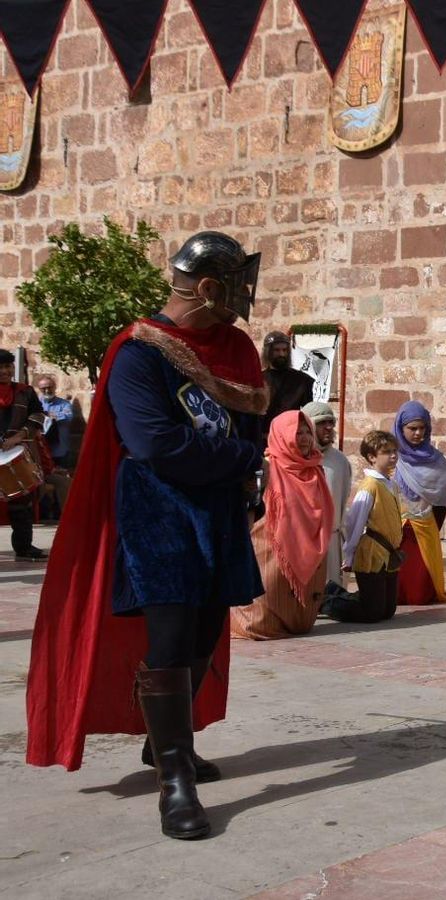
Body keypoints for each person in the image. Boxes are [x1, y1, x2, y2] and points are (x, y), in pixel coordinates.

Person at [26, 230, 267, 841]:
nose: (242, 298)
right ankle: (174, 778)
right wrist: (238, 458)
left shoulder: (234, 347)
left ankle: (164, 744)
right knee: (170, 637)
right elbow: (156, 445)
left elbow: (250, 426)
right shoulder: (140, 352)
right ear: (207, 287)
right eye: (233, 286)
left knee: (207, 633)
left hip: (217, 510)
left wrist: (240, 456)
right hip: (160, 513)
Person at [230, 412, 333, 640]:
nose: (305, 438)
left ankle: (294, 623)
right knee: (265, 604)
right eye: (297, 433)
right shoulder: (266, 466)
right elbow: (250, 504)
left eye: (307, 432)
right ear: (282, 435)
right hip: (270, 545)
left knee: (298, 613)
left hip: (310, 546)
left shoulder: (316, 469)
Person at [325, 430, 404, 624]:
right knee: (373, 613)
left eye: (395, 451)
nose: (393, 456)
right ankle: (327, 600)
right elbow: (355, 522)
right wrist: (349, 554)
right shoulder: (369, 487)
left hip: (389, 554)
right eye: (386, 452)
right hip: (372, 554)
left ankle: (350, 597)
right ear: (372, 457)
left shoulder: (391, 485)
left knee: (387, 611)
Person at [392, 401, 446, 605]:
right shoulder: (393, 457)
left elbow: (444, 482)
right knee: (396, 590)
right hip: (397, 531)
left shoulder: (436, 460)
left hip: (425, 529)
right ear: (401, 429)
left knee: (419, 595)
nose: (418, 433)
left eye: (422, 428)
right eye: (412, 428)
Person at [0, 350, 49, 559]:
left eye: (8, 366)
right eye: (0, 367)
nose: (4, 371)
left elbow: (38, 415)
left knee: (22, 503)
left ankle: (24, 546)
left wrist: (20, 435)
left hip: (16, 451)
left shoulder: (25, 392)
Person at [303, 401, 353, 598]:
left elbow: (343, 498)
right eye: (322, 423)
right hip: (305, 539)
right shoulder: (298, 459)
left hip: (332, 539)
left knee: (331, 596)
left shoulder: (340, 461)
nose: (329, 428)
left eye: (331, 422)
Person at [34, 373, 74, 519]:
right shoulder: (37, 404)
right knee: (42, 484)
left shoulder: (64, 404)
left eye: (49, 387)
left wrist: (53, 417)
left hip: (60, 451)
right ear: (39, 389)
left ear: (55, 387)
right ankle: (44, 513)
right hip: (42, 453)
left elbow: (68, 416)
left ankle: (60, 513)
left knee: (63, 483)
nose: (46, 391)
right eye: (43, 388)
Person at [261, 331, 314, 424]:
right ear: (268, 352)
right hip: (264, 435)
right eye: (277, 350)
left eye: (284, 350)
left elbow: (308, 413)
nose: (281, 354)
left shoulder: (302, 380)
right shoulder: (259, 379)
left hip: (291, 433)